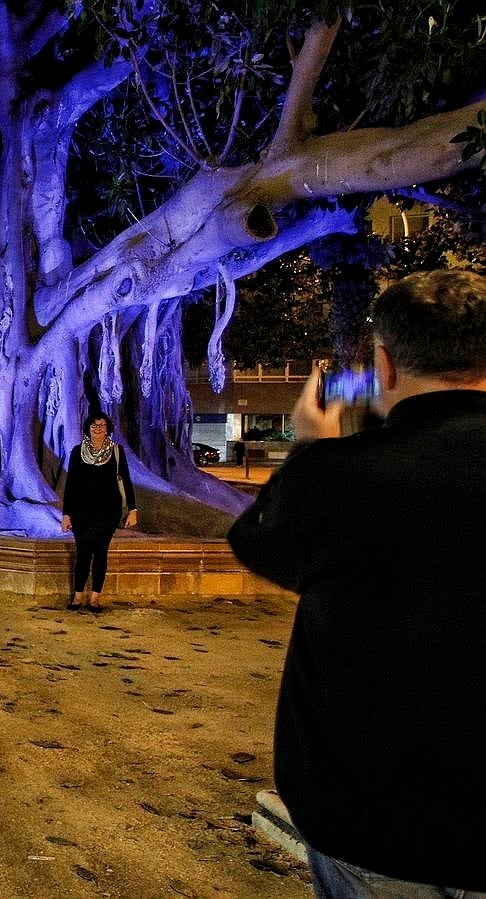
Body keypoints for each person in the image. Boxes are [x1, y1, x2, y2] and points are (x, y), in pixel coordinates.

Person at [228, 270, 486, 898]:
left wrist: (312, 448)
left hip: (370, 819)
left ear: (386, 366)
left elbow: (259, 545)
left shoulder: (340, 477)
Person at [60, 412, 138, 612]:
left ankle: (95, 598)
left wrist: (132, 509)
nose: (98, 429)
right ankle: (78, 596)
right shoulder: (78, 452)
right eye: (94, 426)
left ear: (108, 429)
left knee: (101, 553)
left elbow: (126, 480)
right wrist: (66, 513)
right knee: (83, 553)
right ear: (88, 428)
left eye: (102, 426)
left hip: (107, 511)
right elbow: (71, 484)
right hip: (82, 511)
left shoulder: (116, 451)